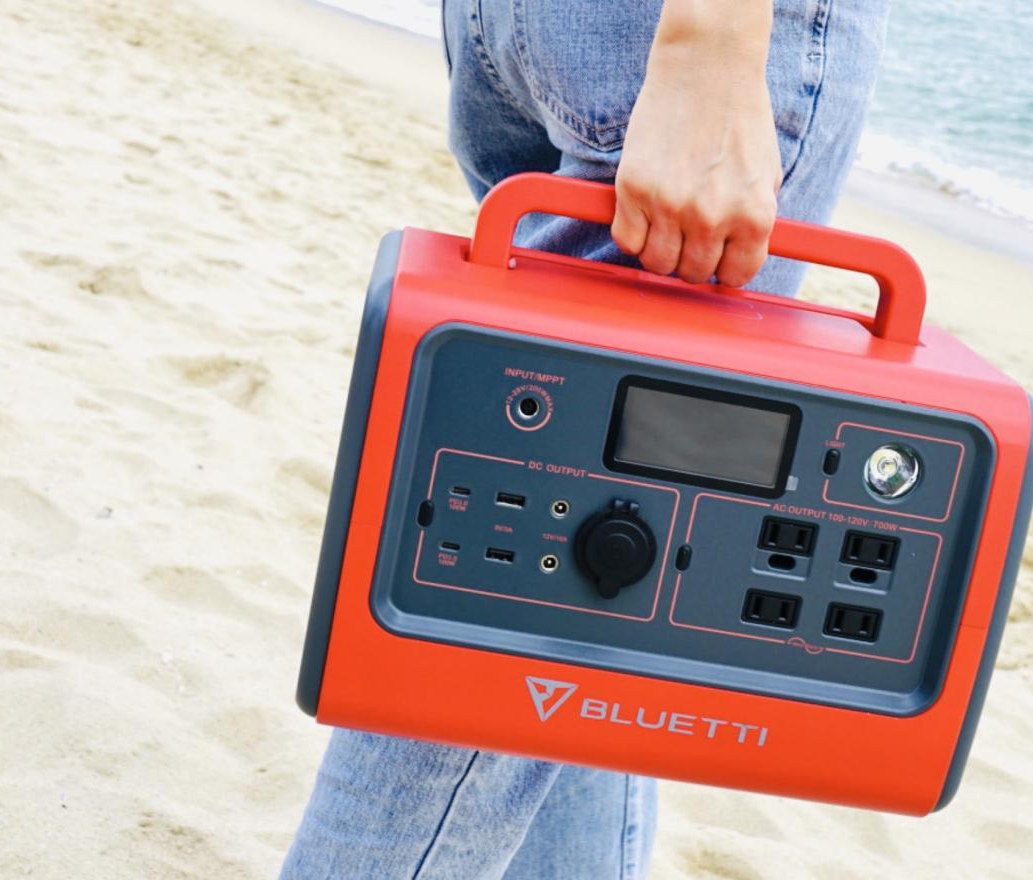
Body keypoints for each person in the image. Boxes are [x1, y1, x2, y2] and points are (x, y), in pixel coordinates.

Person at [282, 0, 887, 876]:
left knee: (594, 597)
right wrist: (711, 45)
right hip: (675, 40)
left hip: (535, 30)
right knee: (487, 651)